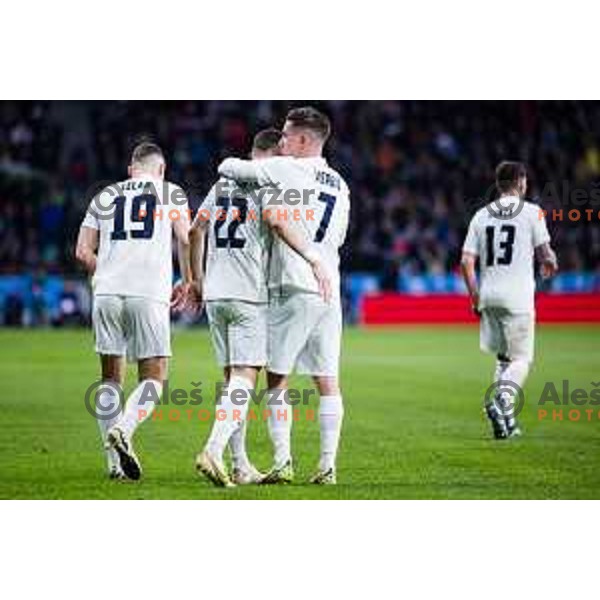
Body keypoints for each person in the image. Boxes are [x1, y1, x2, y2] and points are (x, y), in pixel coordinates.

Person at [188, 128, 331, 487]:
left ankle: (239, 465)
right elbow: (276, 221)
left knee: (232, 382)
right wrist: (313, 259)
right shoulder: (267, 186)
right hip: (249, 294)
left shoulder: (219, 186)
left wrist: (195, 279)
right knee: (246, 378)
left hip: (215, 296)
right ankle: (213, 449)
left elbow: (195, 230)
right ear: (273, 156)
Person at [218, 106, 350, 484]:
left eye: (288, 136)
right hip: (329, 286)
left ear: (305, 140)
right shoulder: (341, 184)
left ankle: (283, 461)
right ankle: (327, 467)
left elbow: (231, 169)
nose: (281, 142)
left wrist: (232, 158)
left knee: (276, 379)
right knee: (327, 379)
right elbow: (338, 238)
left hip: (293, 284)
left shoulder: (284, 167)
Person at [75, 142, 192, 479]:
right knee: (154, 377)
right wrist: (187, 280)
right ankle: (124, 429)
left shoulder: (105, 195)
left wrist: (108, 270)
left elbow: (83, 252)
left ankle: (113, 466)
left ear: (131, 169)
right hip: (148, 294)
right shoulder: (171, 192)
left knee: (110, 378)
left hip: (107, 293)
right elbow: (185, 239)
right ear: (162, 169)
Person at [460, 161, 558, 439]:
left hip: (488, 296)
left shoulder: (481, 215)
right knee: (522, 359)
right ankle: (500, 400)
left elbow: (466, 261)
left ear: (499, 183)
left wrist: (474, 296)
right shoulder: (532, 213)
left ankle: (507, 424)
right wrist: (550, 261)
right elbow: (545, 253)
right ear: (522, 182)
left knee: (504, 361)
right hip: (517, 297)